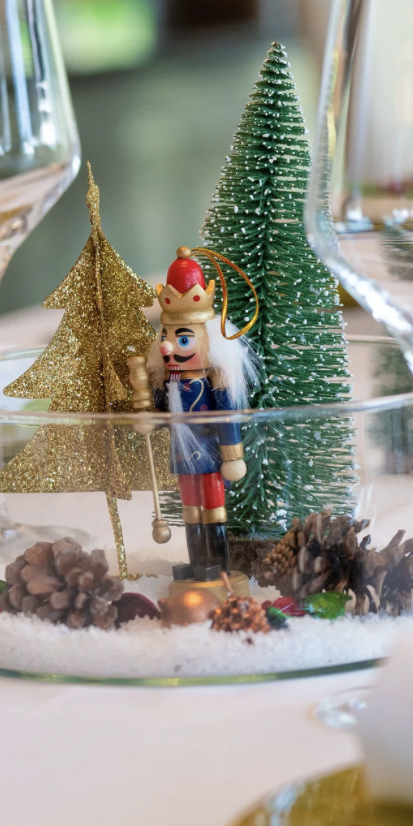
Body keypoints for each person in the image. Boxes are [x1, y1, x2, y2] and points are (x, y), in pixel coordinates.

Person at [128, 247, 255, 582]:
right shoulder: (168, 383)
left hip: (211, 455)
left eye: (182, 339)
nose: (169, 347)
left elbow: (227, 417)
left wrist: (233, 454)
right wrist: (147, 417)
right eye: (167, 337)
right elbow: (157, 410)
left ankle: (218, 563)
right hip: (182, 455)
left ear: (207, 342)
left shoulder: (216, 381)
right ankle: (197, 562)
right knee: (189, 509)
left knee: (213, 507)